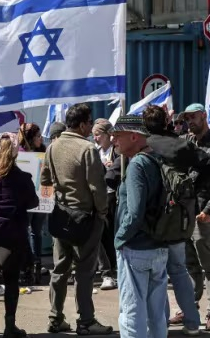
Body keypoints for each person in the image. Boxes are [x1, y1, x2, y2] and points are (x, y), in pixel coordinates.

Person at [41, 104, 112, 335]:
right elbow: (96, 187)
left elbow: (45, 180)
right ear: (82, 125)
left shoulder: (52, 147)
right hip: (85, 218)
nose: (91, 127)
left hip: (61, 215)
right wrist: (102, 213)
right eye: (90, 122)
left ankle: (55, 318)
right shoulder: (87, 149)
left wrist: (51, 205)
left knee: (59, 269)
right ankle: (86, 321)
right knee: (84, 272)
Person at [142, 106, 203, 336]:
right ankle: (193, 322)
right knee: (178, 269)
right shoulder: (181, 144)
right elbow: (207, 166)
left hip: (152, 218)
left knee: (156, 275)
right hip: (179, 216)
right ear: (167, 121)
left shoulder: (144, 145)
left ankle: (161, 324)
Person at [111, 114, 170, 338]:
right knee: (157, 313)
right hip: (159, 247)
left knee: (131, 312)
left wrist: (120, 239)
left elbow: (135, 212)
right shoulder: (159, 158)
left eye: (118, 136)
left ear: (134, 136)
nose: (114, 141)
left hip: (136, 248)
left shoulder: (137, 165)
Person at [0, 132, 38, 338]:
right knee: (11, 280)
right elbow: (33, 202)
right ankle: (10, 327)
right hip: (13, 234)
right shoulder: (22, 178)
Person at [173, 103, 210, 331]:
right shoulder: (185, 144)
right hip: (184, 213)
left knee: (209, 265)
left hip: (203, 213)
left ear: (204, 116)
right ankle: (189, 307)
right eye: (187, 119)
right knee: (189, 265)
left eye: (193, 117)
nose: (190, 122)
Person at [17, 123, 49, 285]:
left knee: (37, 230)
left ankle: (38, 264)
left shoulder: (44, 151)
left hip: (42, 198)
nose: (40, 139)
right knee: (27, 230)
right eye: (37, 136)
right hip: (27, 198)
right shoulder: (20, 154)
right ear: (29, 138)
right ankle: (29, 264)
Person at [92, 118, 117, 291]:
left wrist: (111, 167)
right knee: (103, 232)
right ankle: (107, 268)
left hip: (113, 195)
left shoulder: (116, 151)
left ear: (109, 135)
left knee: (111, 231)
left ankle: (112, 268)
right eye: (93, 135)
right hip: (101, 195)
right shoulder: (95, 151)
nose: (95, 138)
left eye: (98, 135)